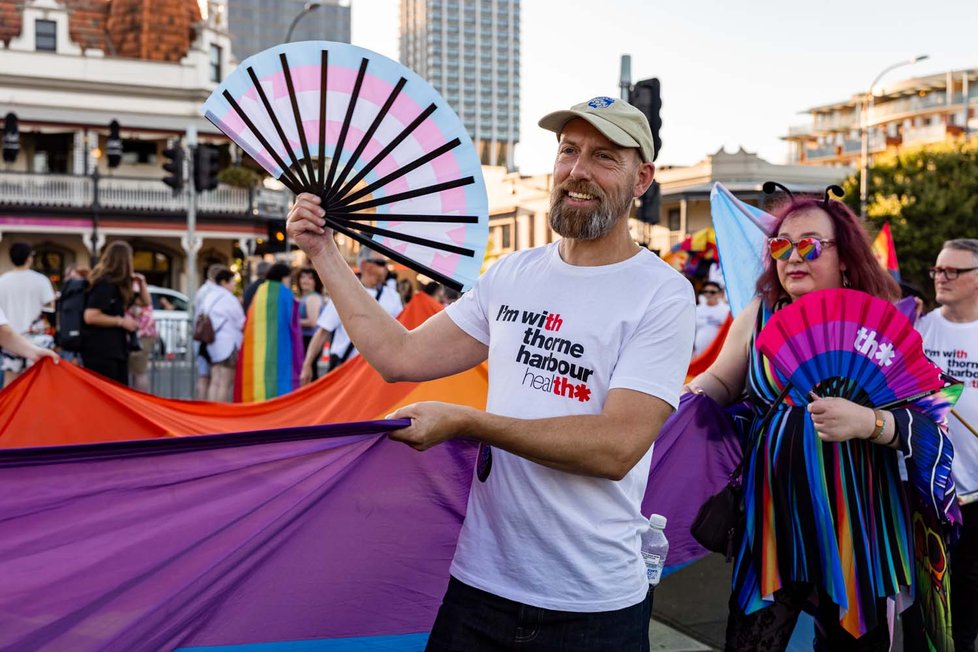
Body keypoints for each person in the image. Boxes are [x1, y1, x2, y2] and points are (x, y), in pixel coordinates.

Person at [288, 96, 695, 651]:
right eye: (568, 151)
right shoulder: (512, 274)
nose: (577, 170)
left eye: (604, 157)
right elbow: (400, 356)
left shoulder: (663, 294)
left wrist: (468, 422)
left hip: (593, 603)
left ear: (641, 178)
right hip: (480, 585)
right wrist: (322, 252)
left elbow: (616, 447)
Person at [687, 195, 946, 650]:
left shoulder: (881, 321)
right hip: (771, 523)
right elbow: (718, 384)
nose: (792, 257)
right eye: (781, 246)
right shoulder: (757, 316)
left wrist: (868, 422)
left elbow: (928, 424)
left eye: (809, 245)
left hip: (859, 530)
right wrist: (672, 403)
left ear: (844, 256)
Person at [916, 238, 978, 652]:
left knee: (969, 588)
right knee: (924, 592)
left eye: (953, 270)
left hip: (976, 489)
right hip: (925, 485)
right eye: (938, 269)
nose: (941, 277)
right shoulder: (919, 328)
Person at [300, 247, 403, 382]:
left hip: (377, 373)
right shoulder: (344, 293)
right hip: (345, 371)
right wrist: (307, 364)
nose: (386, 268)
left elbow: (401, 334)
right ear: (366, 265)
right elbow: (323, 332)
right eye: (381, 263)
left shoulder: (393, 296)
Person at [82, 241, 139, 385]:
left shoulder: (115, 285)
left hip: (113, 350)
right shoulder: (104, 285)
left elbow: (145, 301)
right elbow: (90, 316)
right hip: (103, 350)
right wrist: (121, 322)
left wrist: (141, 283)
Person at [0, 242, 56, 385]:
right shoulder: (41, 280)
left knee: (10, 383)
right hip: (37, 339)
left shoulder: (2, 281)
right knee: (38, 383)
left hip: (10, 338)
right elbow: (51, 308)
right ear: (29, 258)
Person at [202, 268, 245, 402]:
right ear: (224, 282)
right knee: (225, 382)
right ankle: (221, 410)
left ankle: (212, 409)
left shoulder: (209, 296)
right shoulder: (229, 298)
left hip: (213, 344)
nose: (234, 285)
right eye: (232, 282)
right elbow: (241, 322)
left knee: (215, 380)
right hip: (228, 344)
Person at [194, 264, 228, 400]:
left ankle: (203, 404)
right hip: (208, 337)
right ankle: (205, 405)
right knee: (208, 376)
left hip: (203, 337)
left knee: (206, 376)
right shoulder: (211, 292)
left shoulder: (203, 290)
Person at [126, 276, 157, 392]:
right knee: (139, 372)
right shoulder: (140, 287)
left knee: (139, 372)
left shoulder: (134, 289)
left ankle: (140, 398)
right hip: (143, 334)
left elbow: (139, 306)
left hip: (140, 334)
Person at [294, 267, 325, 381]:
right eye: (303, 277)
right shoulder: (303, 297)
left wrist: (291, 322)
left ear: (316, 282)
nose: (305, 280)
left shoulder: (313, 298)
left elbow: (312, 322)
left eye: (310, 278)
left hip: (310, 340)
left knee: (308, 372)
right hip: (304, 339)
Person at [692, 280, 729, 356]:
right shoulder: (697, 309)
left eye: (712, 292)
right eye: (706, 291)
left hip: (719, 352)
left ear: (719, 294)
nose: (708, 294)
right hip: (700, 353)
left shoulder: (726, 310)